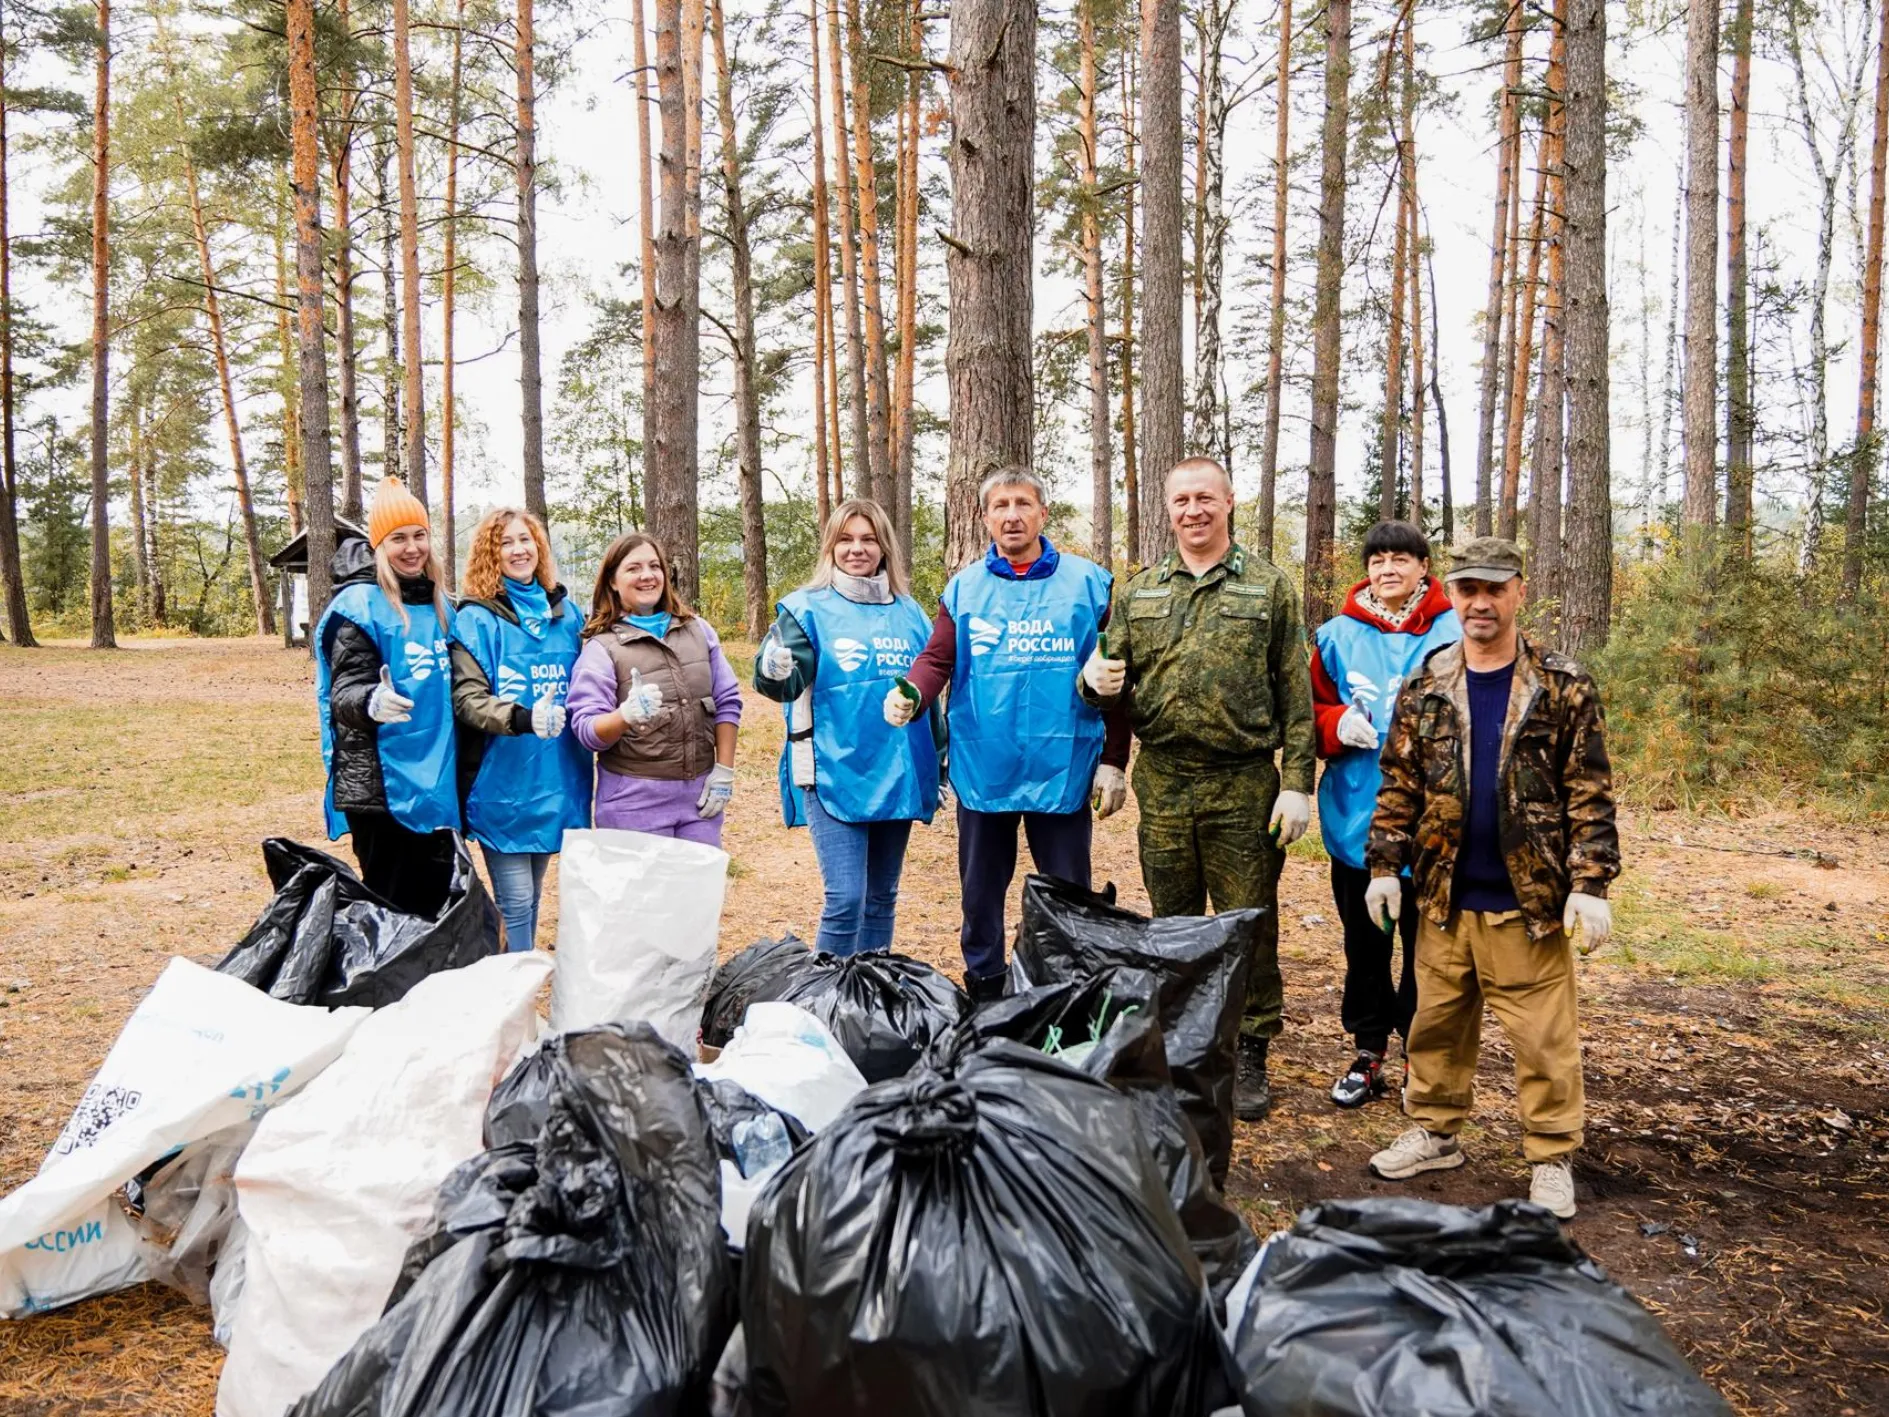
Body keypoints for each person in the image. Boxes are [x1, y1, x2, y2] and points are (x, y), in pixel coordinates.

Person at [1364, 537, 1619, 1220]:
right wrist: (1385, 866)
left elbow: (1588, 790)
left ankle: (1549, 1155)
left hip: (1526, 901)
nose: (1479, 602)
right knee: (1435, 1028)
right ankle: (1436, 1130)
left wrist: (1589, 883)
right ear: (1450, 594)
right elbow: (1398, 783)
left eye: (1493, 588)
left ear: (1517, 593)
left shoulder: (1560, 683)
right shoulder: (1428, 682)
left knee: (1543, 1042)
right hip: (1444, 897)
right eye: (1467, 589)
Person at [1078, 456, 1315, 1122]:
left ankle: (1249, 1045)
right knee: (1173, 925)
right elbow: (1108, 677)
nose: (1193, 510)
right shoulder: (1140, 589)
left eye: (1204, 497)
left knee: (1247, 924)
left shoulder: (1269, 588)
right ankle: (1184, 1043)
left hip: (1241, 783)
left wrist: (1296, 783)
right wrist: (1091, 690)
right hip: (1165, 780)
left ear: (1229, 501)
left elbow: (1295, 695)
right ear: (1167, 508)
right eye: (1180, 499)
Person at [885, 467, 1127, 1001]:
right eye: (1000, 506)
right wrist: (913, 692)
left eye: (1022, 504)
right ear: (985, 517)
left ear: (1044, 512)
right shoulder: (965, 588)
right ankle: (986, 987)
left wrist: (1114, 759)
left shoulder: (1090, 583)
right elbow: (937, 658)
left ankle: (1063, 988)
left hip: (1060, 766)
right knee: (981, 891)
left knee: (1066, 890)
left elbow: (1117, 675)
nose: (1012, 515)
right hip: (985, 764)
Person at [1310, 521, 1460, 1107]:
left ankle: (1421, 1059)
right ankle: (1368, 1053)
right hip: (1357, 818)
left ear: (1424, 567)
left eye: (1401, 559)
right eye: (1378, 561)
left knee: (1430, 950)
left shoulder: (1456, 631)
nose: (1388, 570)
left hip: (1435, 825)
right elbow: (1310, 712)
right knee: (1365, 945)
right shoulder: (1335, 636)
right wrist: (1332, 724)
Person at [754, 498, 942, 955]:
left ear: (884, 548)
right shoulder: (805, 610)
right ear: (830, 547)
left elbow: (930, 688)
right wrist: (775, 667)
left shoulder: (911, 612)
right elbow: (778, 680)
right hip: (833, 769)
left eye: (867, 539)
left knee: (881, 899)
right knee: (845, 898)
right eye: (846, 539)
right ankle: (828, 1002)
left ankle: (869, 999)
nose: (856, 549)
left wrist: (940, 761)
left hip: (897, 771)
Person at [314, 477, 459, 914]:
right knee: (395, 905)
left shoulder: (441, 604)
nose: (412, 548)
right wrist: (370, 702)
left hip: (437, 778)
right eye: (398, 538)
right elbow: (344, 690)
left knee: (438, 900)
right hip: (381, 786)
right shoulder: (358, 605)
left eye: (419, 536)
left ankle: (432, 981)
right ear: (379, 545)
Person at [449, 508, 592, 951]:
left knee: (532, 897)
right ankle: (517, 1006)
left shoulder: (567, 616)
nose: (518, 550)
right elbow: (467, 699)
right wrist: (523, 717)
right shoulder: (476, 620)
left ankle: (517, 996)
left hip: (556, 780)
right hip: (503, 784)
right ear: (491, 553)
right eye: (506, 542)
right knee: (515, 901)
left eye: (525, 540)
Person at [565, 531, 743, 846]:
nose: (647, 576)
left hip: (700, 800)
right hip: (632, 803)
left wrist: (723, 772)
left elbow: (727, 701)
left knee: (696, 895)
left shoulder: (698, 631)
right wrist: (624, 715)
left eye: (654, 566)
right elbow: (586, 729)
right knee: (642, 897)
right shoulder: (601, 647)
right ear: (612, 582)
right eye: (633, 568)